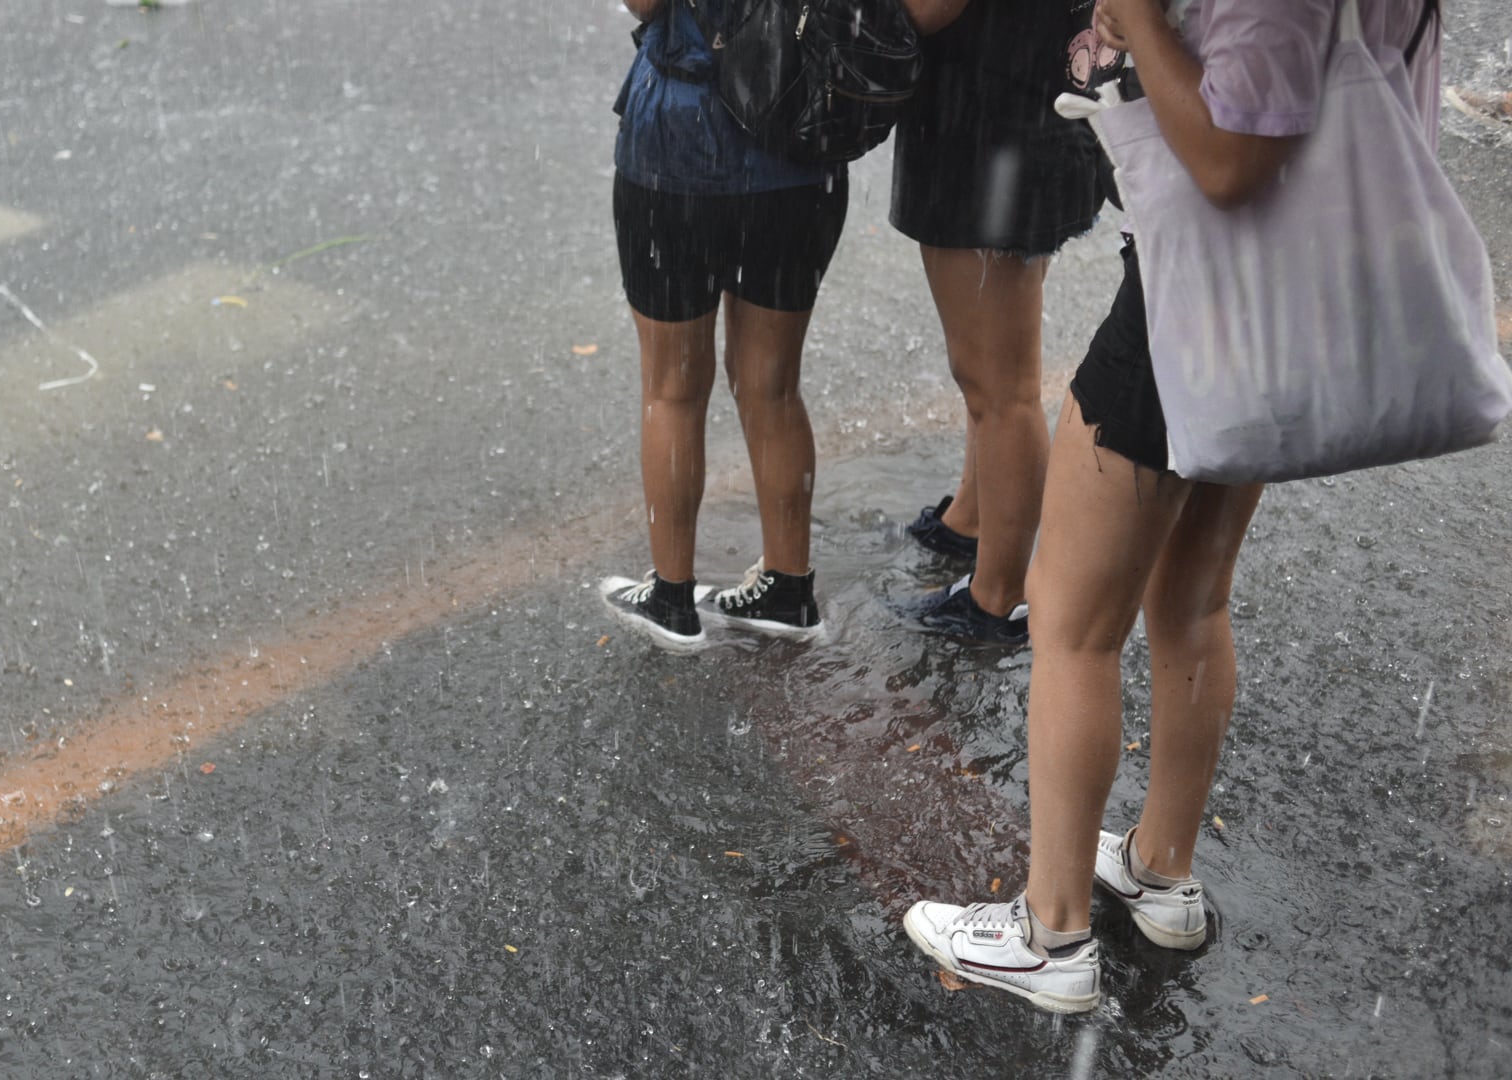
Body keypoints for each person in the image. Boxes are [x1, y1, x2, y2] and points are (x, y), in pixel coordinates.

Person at [902, 0, 1447, 1012]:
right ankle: (1160, 871)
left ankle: (1051, 932)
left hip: (1201, 294)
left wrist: (1141, 19)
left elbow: (1235, 159)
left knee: (1070, 619)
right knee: (1192, 598)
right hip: (1299, 289)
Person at [599, 0, 849, 652]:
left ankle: (672, 598)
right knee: (772, 385)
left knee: (672, 387)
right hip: (797, 142)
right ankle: (789, 588)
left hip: (679, 144)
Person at [888, 0, 1121, 646]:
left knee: (1000, 386)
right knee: (994, 368)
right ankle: (972, 519)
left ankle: (998, 597)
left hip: (991, 127)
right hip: (1032, 105)